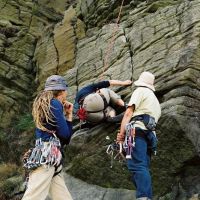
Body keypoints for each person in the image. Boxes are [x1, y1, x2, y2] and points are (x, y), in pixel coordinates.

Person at [22, 75, 73, 200]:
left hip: (46, 156)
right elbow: (65, 136)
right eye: (66, 90)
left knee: (63, 197)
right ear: (62, 91)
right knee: (32, 196)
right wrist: (69, 115)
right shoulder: (55, 103)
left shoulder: (44, 105)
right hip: (49, 157)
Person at [117, 71, 161, 200]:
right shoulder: (155, 100)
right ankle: (146, 196)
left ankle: (143, 197)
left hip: (136, 131)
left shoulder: (140, 91)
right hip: (151, 135)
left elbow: (128, 113)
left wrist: (121, 134)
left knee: (137, 166)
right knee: (143, 167)